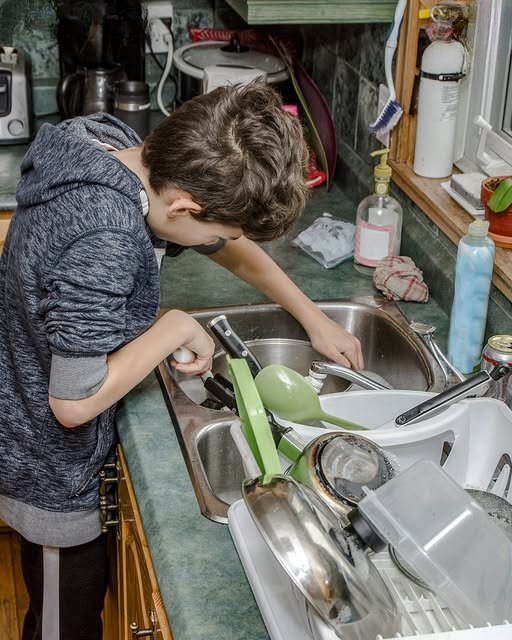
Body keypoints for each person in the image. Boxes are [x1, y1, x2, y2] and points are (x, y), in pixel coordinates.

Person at [0, 82, 363, 639]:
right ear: (184, 206)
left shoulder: (110, 147)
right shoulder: (105, 232)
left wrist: (312, 316)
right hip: (50, 463)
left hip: (41, 423)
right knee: (62, 623)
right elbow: (71, 403)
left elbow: (223, 244)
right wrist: (171, 327)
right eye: (215, 229)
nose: (217, 241)